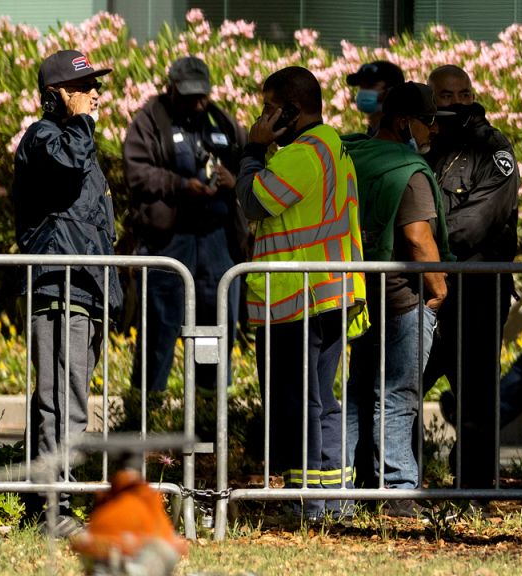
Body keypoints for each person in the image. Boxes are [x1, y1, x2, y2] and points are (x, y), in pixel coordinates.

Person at [235, 66, 367, 523]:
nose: (263, 117)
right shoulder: (333, 146)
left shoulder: (301, 155)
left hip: (298, 296)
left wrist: (253, 148)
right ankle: (331, 498)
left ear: (291, 110)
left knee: (299, 401)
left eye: (270, 109)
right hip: (329, 292)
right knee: (322, 399)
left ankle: (306, 501)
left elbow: (254, 202)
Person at [13, 49, 123, 536]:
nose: (96, 94)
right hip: (59, 288)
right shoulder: (45, 138)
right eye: (84, 86)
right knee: (63, 405)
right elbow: (64, 168)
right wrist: (80, 123)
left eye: (96, 85)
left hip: (86, 291)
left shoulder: (77, 141)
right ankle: (53, 511)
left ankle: (45, 503)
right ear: (57, 95)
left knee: (66, 401)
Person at [344, 82, 451, 517]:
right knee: (398, 395)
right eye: (428, 123)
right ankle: (398, 489)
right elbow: (418, 237)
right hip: (403, 299)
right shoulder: (408, 170)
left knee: (357, 393)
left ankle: (343, 486)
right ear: (406, 122)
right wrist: (439, 290)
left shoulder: (354, 155)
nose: (433, 133)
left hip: (359, 296)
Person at [123, 57, 247, 416]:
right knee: (158, 334)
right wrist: (178, 184)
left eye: (202, 96)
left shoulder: (221, 121)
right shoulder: (149, 121)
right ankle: (144, 420)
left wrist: (232, 179)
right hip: (168, 245)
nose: (197, 103)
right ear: (171, 88)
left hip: (217, 245)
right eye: (189, 95)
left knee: (212, 330)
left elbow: (249, 163)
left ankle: (208, 420)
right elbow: (137, 172)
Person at [422, 64, 520, 493]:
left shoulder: (493, 149)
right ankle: (398, 486)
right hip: (425, 289)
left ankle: (474, 492)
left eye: (464, 94)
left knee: (476, 399)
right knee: (402, 390)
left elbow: (476, 223)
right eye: (446, 96)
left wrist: (419, 239)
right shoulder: (422, 143)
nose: (457, 103)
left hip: (477, 292)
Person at [346, 60, 405, 136]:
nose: (362, 92)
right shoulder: (373, 131)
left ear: (390, 90)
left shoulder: (402, 134)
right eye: (361, 86)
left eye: (370, 85)